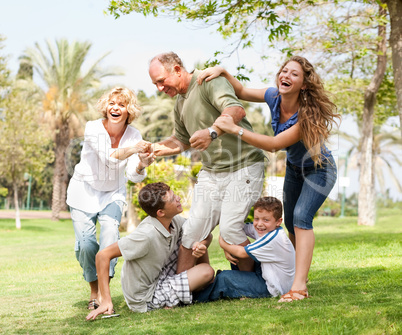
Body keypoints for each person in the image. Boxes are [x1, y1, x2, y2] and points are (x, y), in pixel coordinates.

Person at [198, 56, 340, 302]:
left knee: (300, 219)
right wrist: (223, 71)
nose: (286, 76)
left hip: (320, 169)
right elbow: (240, 90)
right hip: (295, 168)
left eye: (294, 74)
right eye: (284, 71)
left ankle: (299, 287)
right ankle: (296, 276)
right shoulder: (274, 96)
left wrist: (236, 129)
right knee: (290, 225)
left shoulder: (304, 115)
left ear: (304, 84)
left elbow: (274, 145)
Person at [148, 52, 266, 274]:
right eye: (155, 84)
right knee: (191, 232)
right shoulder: (180, 104)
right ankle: (180, 291)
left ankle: (253, 282)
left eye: (161, 81)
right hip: (212, 172)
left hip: (244, 166)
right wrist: (152, 149)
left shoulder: (207, 81)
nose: (159, 88)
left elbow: (235, 110)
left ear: (176, 69)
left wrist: (212, 132)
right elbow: (181, 141)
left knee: (230, 231)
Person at [66, 87, 155, 310]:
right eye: (112, 103)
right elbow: (109, 159)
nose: (115, 108)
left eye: (121, 104)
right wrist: (134, 149)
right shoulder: (93, 128)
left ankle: (104, 297)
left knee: (110, 236)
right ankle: (93, 290)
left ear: (129, 110)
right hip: (83, 190)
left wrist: (143, 162)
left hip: (112, 193)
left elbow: (133, 175)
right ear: (106, 106)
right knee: (86, 245)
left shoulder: (134, 135)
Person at [86, 182, 215, 320]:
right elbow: (102, 255)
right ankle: (191, 290)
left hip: (161, 276)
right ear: (161, 212)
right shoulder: (145, 235)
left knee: (195, 234)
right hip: (146, 297)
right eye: (172, 199)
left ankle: (198, 287)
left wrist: (201, 244)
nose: (178, 198)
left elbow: (204, 233)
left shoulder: (174, 220)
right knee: (206, 271)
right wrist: (105, 300)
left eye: (174, 194)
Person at [194, 196, 295, 302]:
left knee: (224, 278)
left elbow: (242, 253)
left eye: (266, 220)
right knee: (235, 243)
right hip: (265, 274)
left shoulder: (273, 238)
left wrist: (222, 244)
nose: (259, 224)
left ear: (278, 221)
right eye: (256, 218)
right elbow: (234, 230)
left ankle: (194, 298)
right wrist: (227, 236)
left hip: (273, 287)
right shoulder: (266, 229)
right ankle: (240, 284)